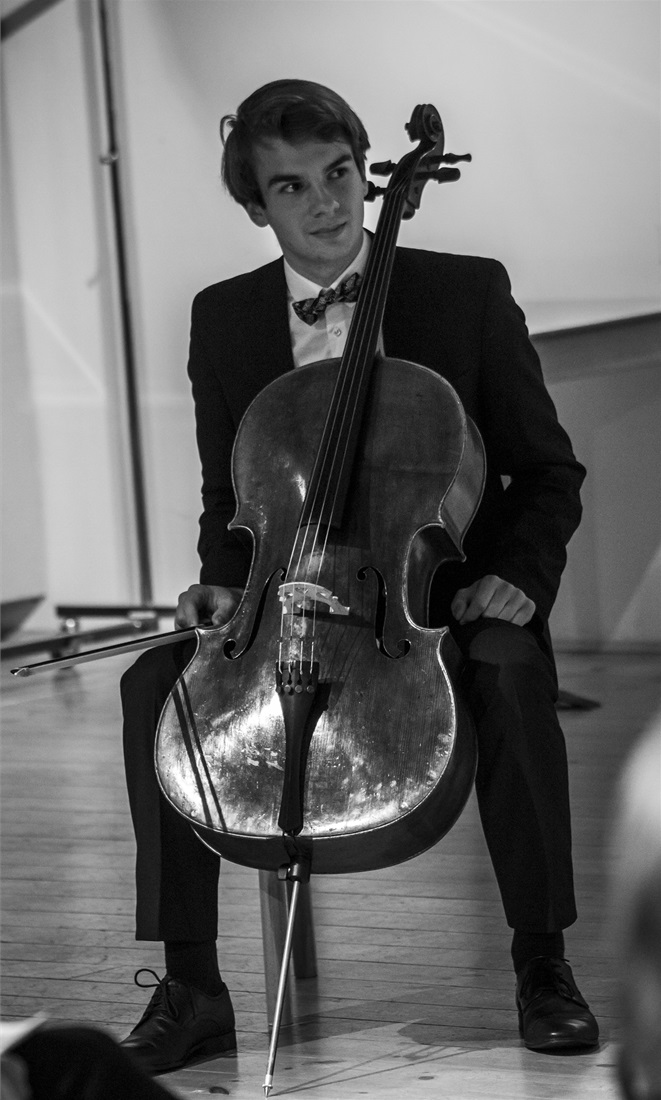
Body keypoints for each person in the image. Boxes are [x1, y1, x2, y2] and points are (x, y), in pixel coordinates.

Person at [119, 78, 599, 1076]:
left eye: (338, 173)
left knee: (510, 670)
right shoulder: (225, 318)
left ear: (367, 172)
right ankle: (192, 984)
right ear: (256, 205)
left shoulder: (464, 294)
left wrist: (517, 576)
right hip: (284, 603)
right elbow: (231, 494)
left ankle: (542, 960)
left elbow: (548, 472)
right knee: (152, 682)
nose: (326, 203)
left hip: (437, 600)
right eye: (291, 187)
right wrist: (221, 588)